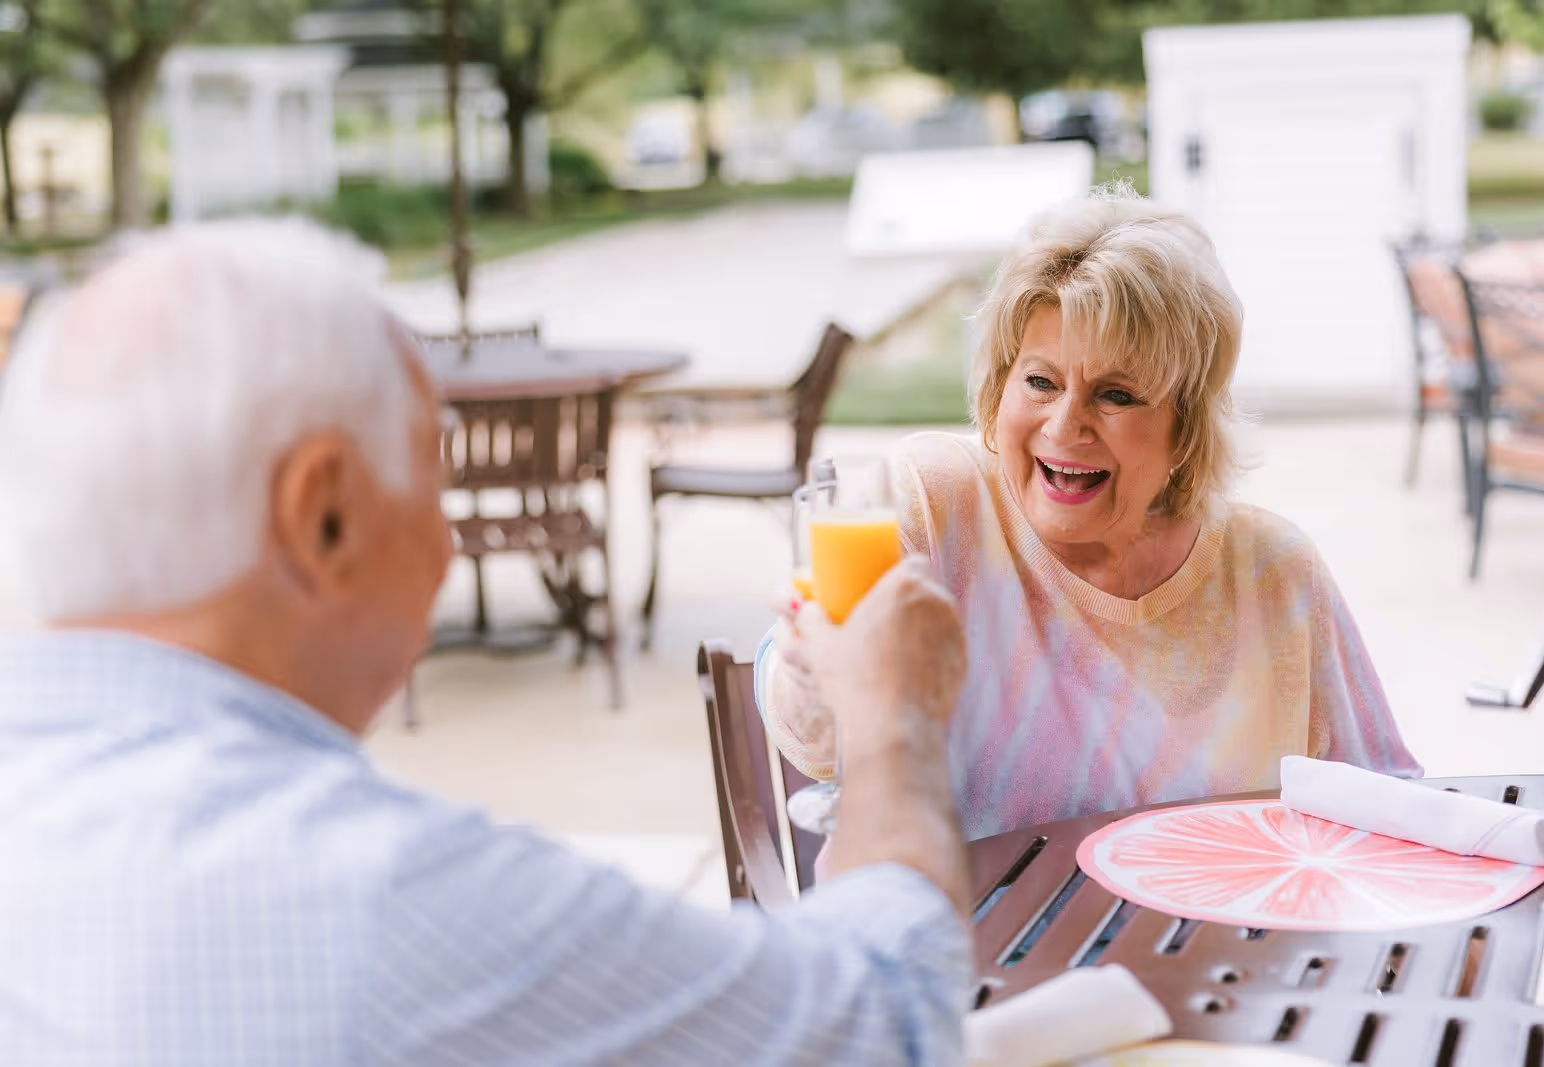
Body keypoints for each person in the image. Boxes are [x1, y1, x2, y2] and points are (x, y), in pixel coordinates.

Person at [0, 218, 974, 1065]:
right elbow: (881, 1022)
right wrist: (891, 711)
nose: (448, 538)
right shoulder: (388, 897)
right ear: (324, 512)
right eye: (433, 470)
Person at [759, 185, 1422, 842]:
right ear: (999, 388)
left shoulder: (1272, 570)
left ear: (1185, 428)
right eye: (1041, 381)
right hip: (987, 943)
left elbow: (1386, 801)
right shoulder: (939, 506)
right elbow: (819, 745)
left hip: (1223, 944)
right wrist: (812, 665)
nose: (1065, 423)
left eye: (1116, 393)